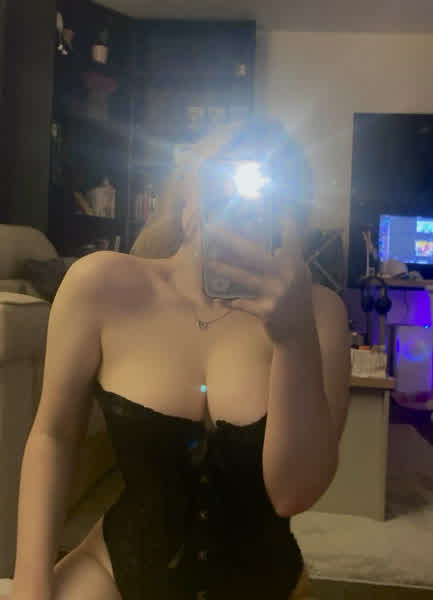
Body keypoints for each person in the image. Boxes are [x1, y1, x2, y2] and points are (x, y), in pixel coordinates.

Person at [7, 119, 350, 600]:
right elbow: (53, 435)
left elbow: (293, 493)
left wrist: (293, 337)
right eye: (222, 185)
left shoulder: (319, 314)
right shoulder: (101, 284)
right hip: (115, 569)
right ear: (185, 197)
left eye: (263, 197)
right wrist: (30, 584)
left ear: (289, 216)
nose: (238, 210)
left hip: (265, 585)